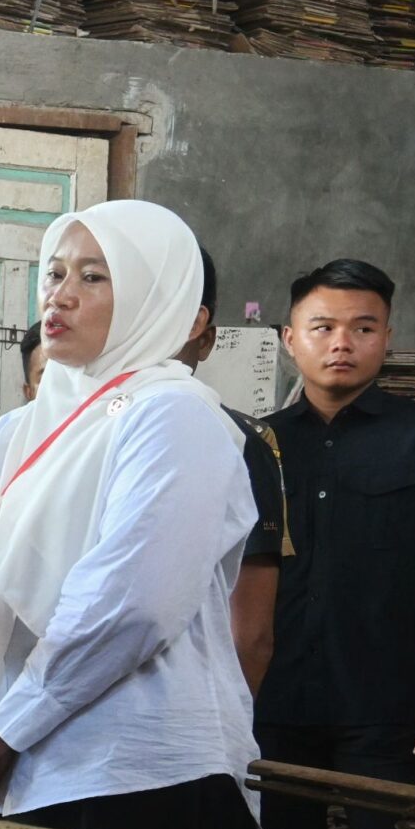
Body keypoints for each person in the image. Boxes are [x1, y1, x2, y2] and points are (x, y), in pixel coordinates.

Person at [0, 200, 260, 829]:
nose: (60, 294)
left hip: (130, 773)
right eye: (54, 273)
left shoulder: (172, 418)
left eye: (94, 277)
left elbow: (130, 606)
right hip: (2, 770)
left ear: (155, 298)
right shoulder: (10, 435)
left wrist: (9, 729)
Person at [254, 259, 415, 829]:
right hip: (272, 707)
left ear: (387, 338)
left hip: (393, 713)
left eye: (363, 328)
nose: (342, 343)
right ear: (290, 338)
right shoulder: (257, 445)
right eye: (323, 327)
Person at [173, 247, 290, 693]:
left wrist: (227, 723)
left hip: (180, 709)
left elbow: (250, 635)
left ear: (203, 337)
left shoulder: (238, 444)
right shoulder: (41, 433)